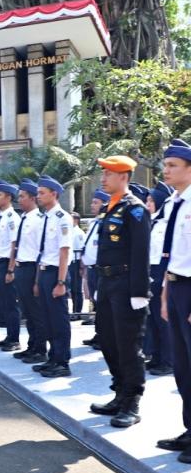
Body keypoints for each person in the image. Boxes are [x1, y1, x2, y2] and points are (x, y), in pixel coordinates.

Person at [87, 156, 151, 428]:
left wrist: (139, 292)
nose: (103, 178)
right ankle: (119, 393)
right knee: (108, 340)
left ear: (123, 176)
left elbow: (141, 253)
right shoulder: (109, 208)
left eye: (108, 174)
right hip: (107, 282)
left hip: (126, 285)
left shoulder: (135, 210)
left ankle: (131, 402)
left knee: (128, 345)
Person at [156, 138, 191, 463]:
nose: (166, 170)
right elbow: (173, 255)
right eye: (166, 165)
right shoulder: (173, 203)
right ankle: (189, 429)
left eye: (173, 166)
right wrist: (167, 296)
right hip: (177, 287)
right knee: (182, 367)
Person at [31, 175, 74, 378]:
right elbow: (42, 253)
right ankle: (52, 358)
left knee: (58, 320)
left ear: (54, 194)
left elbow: (64, 251)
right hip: (46, 272)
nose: (38, 196)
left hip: (57, 273)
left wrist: (61, 281)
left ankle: (63, 362)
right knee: (47, 319)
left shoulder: (62, 218)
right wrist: (38, 280)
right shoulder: (45, 217)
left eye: (41, 193)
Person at [5, 179, 47, 360]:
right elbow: (16, 246)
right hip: (21, 268)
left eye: (22, 197)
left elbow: (40, 251)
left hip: (32, 269)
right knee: (27, 311)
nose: (18, 200)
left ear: (32, 198)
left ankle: (40, 349)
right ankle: (32, 345)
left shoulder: (38, 220)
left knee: (36, 312)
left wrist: (37, 279)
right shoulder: (23, 218)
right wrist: (12, 268)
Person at [145, 181, 174, 377]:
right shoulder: (152, 222)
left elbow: (168, 254)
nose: (147, 204)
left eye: (151, 201)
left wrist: (164, 281)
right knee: (152, 319)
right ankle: (156, 354)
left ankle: (168, 360)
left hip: (160, 272)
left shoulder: (164, 224)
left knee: (163, 320)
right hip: (149, 272)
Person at [0, 181, 21, 347]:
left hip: (5, 264)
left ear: (8, 197)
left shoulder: (12, 218)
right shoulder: (2, 216)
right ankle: (9, 335)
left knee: (10, 303)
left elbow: (14, 245)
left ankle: (14, 338)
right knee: (3, 302)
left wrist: (10, 269)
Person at [80, 190, 109, 349]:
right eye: (92, 202)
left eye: (96, 202)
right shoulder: (93, 223)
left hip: (101, 269)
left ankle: (105, 336)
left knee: (103, 305)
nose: (92, 205)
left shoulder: (106, 223)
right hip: (91, 269)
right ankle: (99, 334)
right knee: (96, 304)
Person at [69, 212, 86, 321]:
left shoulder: (78, 233)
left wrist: (81, 267)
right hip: (71, 261)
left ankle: (77, 311)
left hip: (76, 261)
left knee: (76, 287)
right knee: (72, 287)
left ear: (76, 220)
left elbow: (81, 250)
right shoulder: (70, 231)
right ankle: (74, 310)